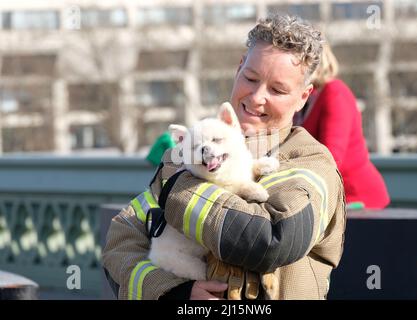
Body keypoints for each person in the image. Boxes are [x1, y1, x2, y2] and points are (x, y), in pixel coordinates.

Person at [102, 14, 346, 300]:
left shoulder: (311, 162)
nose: (256, 97)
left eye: (277, 90)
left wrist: (178, 185)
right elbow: (121, 242)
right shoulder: (188, 155)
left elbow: (272, 240)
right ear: (239, 67)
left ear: (304, 96)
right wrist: (174, 292)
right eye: (251, 78)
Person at [294, 44, 390, 210]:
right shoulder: (303, 99)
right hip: (328, 199)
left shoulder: (334, 92)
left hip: (357, 198)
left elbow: (331, 157)